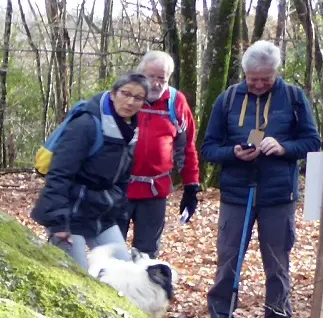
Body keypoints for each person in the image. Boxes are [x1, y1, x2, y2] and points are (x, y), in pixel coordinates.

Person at [201, 40, 322, 318]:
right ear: (244, 73)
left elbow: (311, 141)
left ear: (276, 73)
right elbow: (209, 148)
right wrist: (233, 153)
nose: (257, 84)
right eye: (252, 78)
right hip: (236, 193)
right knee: (228, 260)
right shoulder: (227, 99)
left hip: (278, 193)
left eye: (265, 79)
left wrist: (283, 148)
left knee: (277, 264)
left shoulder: (294, 98)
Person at [32, 73, 147, 272]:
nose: (130, 101)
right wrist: (58, 222)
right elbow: (59, 173)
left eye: (138, 98)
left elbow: (122, 179)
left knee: (123, 273)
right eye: (125, 93)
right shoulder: (86, 123)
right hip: (68, 212)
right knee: (76, 277)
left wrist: (117, 206)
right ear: (113, 94)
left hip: (100, 213)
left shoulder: (131, 131)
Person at [119, 51, 200, 257]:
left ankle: (141, 290)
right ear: (140, 75)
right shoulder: (124, 99)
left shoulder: (176, 103)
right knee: (112, 251)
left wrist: (191, 187)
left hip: (154, 192)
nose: (155, 83)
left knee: (146, 255)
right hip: (119, 189)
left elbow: (187, 147)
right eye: (150, 77)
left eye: (161, 78)